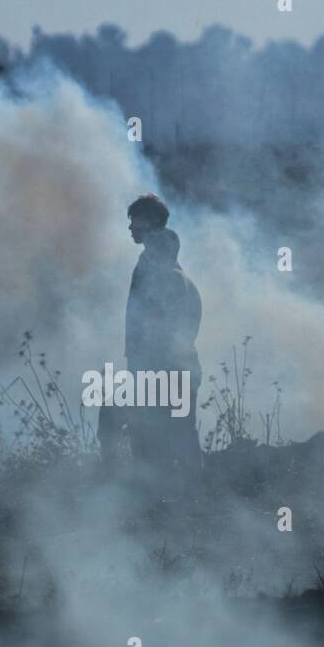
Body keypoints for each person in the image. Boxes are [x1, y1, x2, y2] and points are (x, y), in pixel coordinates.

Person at [105, 194, 202, 485]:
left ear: (148, 222)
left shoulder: (157, 271)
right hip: (177, 367)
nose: (130, 229)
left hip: (161, 368)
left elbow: (155, 328)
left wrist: (142, 368)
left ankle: (159, 508)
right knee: (179, 435)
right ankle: (188, 501)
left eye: (134, 222)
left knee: (153, 438)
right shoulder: (164, 266)